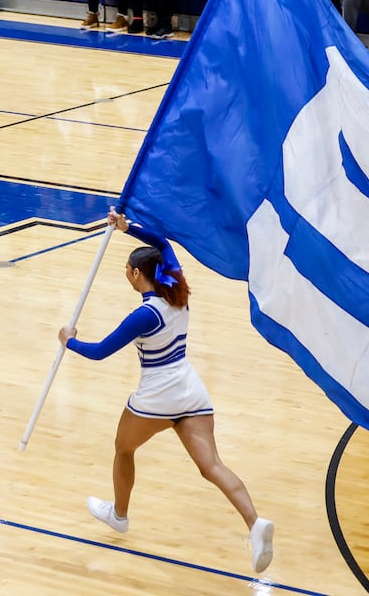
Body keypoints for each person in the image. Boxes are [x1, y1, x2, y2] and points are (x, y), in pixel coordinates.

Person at [62, 209, 275, 574]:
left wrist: (70, 342)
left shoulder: (145, 315)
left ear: (135, 274)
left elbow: (99, 352)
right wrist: (129, 229)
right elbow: (161, 243)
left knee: (123, 448)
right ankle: (255, 524)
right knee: (212, 466)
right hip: (191, 390)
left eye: (127, 271)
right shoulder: (176, 288)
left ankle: (120, 515)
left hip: (157, 397)